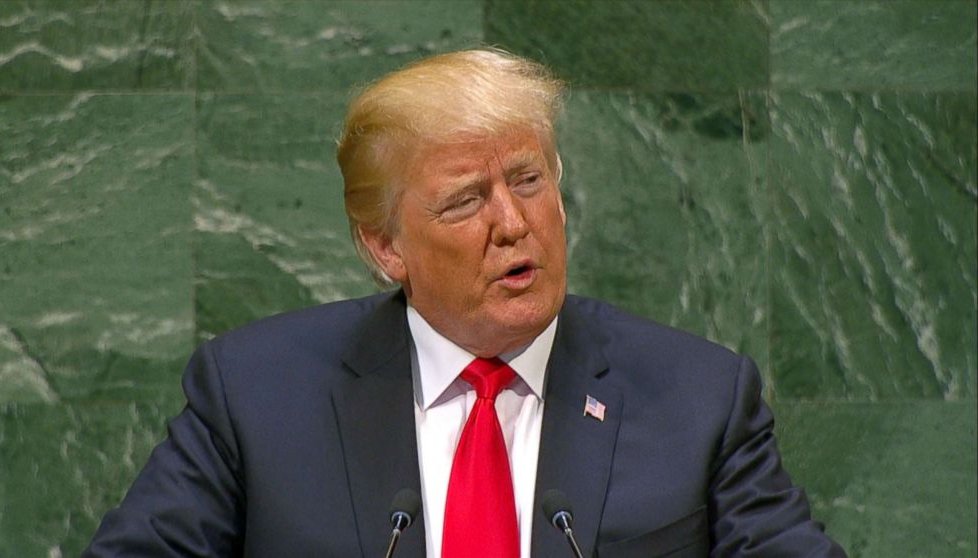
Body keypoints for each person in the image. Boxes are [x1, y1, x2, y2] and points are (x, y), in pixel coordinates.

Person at [84, 49, 845, 557]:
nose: (512, 224)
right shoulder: (254, 395)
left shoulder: (702, 397)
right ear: (385, 247)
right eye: (464, 202)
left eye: (528, 180)